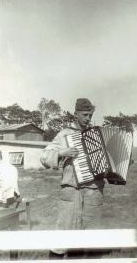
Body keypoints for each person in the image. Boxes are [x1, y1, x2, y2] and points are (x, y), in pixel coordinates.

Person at [41, 98, 105, 259]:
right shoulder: (64, 134)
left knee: (91, 234)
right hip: (71, 190)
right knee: (63, 233)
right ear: (76, 114)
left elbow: (107, 161)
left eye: (90, 115)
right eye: (84, 115)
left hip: (93, 191)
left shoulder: (98, 134)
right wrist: (62, 153)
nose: (88, 118)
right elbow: (44, 157)